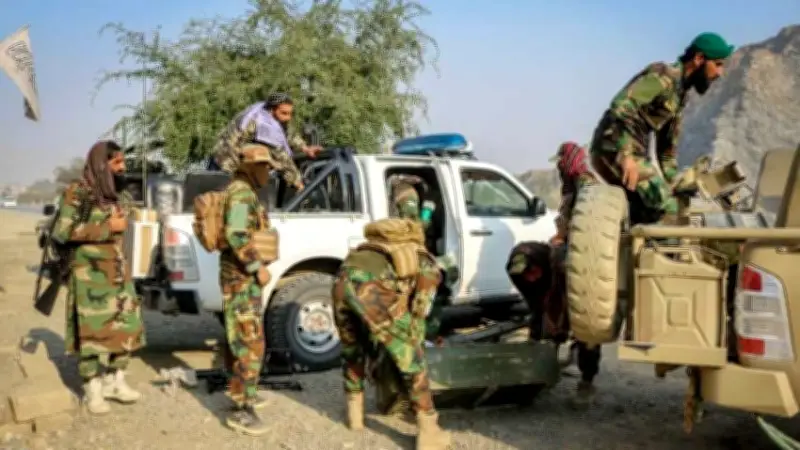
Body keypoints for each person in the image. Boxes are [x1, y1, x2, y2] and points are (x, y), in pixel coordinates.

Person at [589, 32, 734, 225]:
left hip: (633, 154)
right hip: (613, 148)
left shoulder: (680, 93)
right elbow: (621, 105)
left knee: (656, 206)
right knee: (666, 206)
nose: (719, 73)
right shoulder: (663, 77)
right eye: (717, 64)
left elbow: (666, 147)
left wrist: (675, 182)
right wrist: (626, 155)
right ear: (699, 59)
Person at [332, 218, 451, 450]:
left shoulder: (370, 248)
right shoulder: (426, 262)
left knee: (352, 349)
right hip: (371, 290)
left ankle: (355, 417)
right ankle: (429, 432)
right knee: (413, 359)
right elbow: (419, 312)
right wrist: (412, 348)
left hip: (340, 282)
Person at [51, 141, 145, 415]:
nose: (123, 168)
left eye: (123, 162)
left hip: (116, 270)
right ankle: (92, 388)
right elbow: (64, 231)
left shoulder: (113, 193)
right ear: (101, 164)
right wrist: (108, 226)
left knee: (128, 324)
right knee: (91, 333)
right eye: (117, 163)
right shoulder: (77, 191)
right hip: (89, 274)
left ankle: (115, 380)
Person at [218, 144, 280, 436]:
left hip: (240, 279)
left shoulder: (242, 190)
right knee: (249, 341)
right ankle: (242, 410)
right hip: (242, 278)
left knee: (244, 337)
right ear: (250, 167)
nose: (268, 171)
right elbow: (236, 233)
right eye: (264, 166)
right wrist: (257, 267)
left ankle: (245, 393)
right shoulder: (241, 193)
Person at [211, 92, 323, 189]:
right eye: (284, 113)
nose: (288, 118)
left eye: (290, 113)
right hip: (229, 161)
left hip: (233, 158)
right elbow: (281, 156)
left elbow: (287, 134)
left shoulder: (264, 110)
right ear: (272, 110)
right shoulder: (263, 124)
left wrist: (305, 148)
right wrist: (299, 185)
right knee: (264, 154)